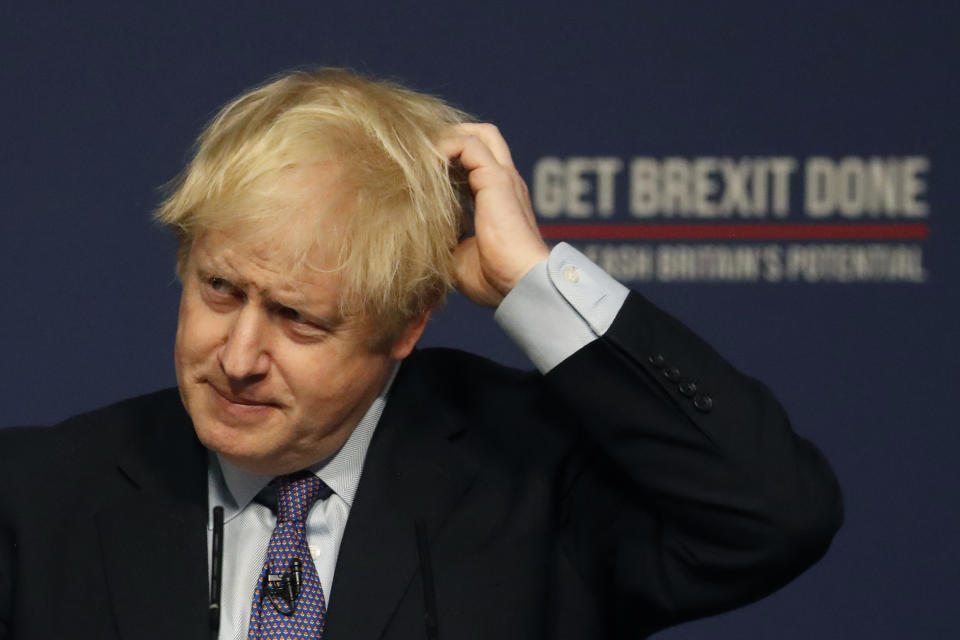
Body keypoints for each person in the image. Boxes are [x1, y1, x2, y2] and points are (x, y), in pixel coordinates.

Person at [0, 68, 842, 640]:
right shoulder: (35, 503)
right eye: (220, 290)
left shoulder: (536, 486)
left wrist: (534, 284)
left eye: (298, 319)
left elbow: (776, 514)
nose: (240, 355)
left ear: (407, 326)